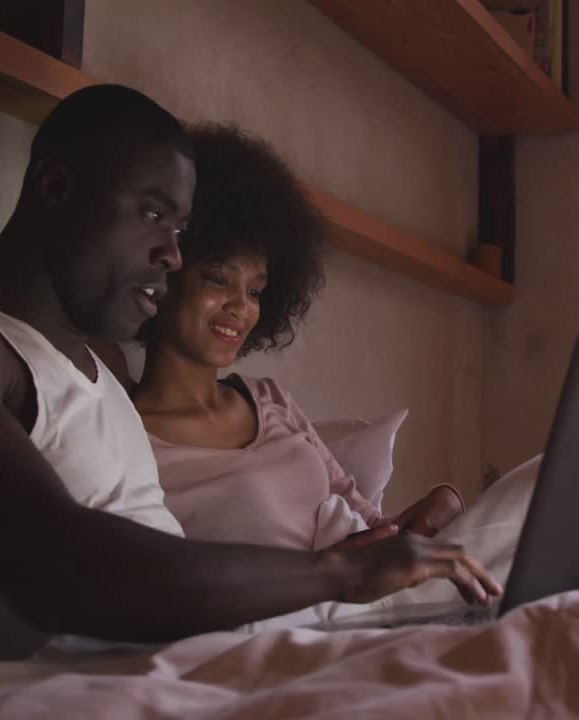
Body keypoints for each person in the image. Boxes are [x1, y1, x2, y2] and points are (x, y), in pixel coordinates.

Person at [0, 85, 500, 709]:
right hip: (129, 686)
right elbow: (55, 568)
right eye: (153, 215)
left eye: (180, 230)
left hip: (201, 663)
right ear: (55, 188)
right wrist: (343, 572)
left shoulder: (94, 365)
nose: (172, 254)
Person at [128, 124, 466, 554]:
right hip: (292, 615)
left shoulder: (270, 401)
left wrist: (443, 504)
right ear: (165, 272)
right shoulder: (129, 438)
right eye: (219, 279)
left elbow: (370, 522)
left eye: (255, 291)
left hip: (373, 598)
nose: (240, 307)